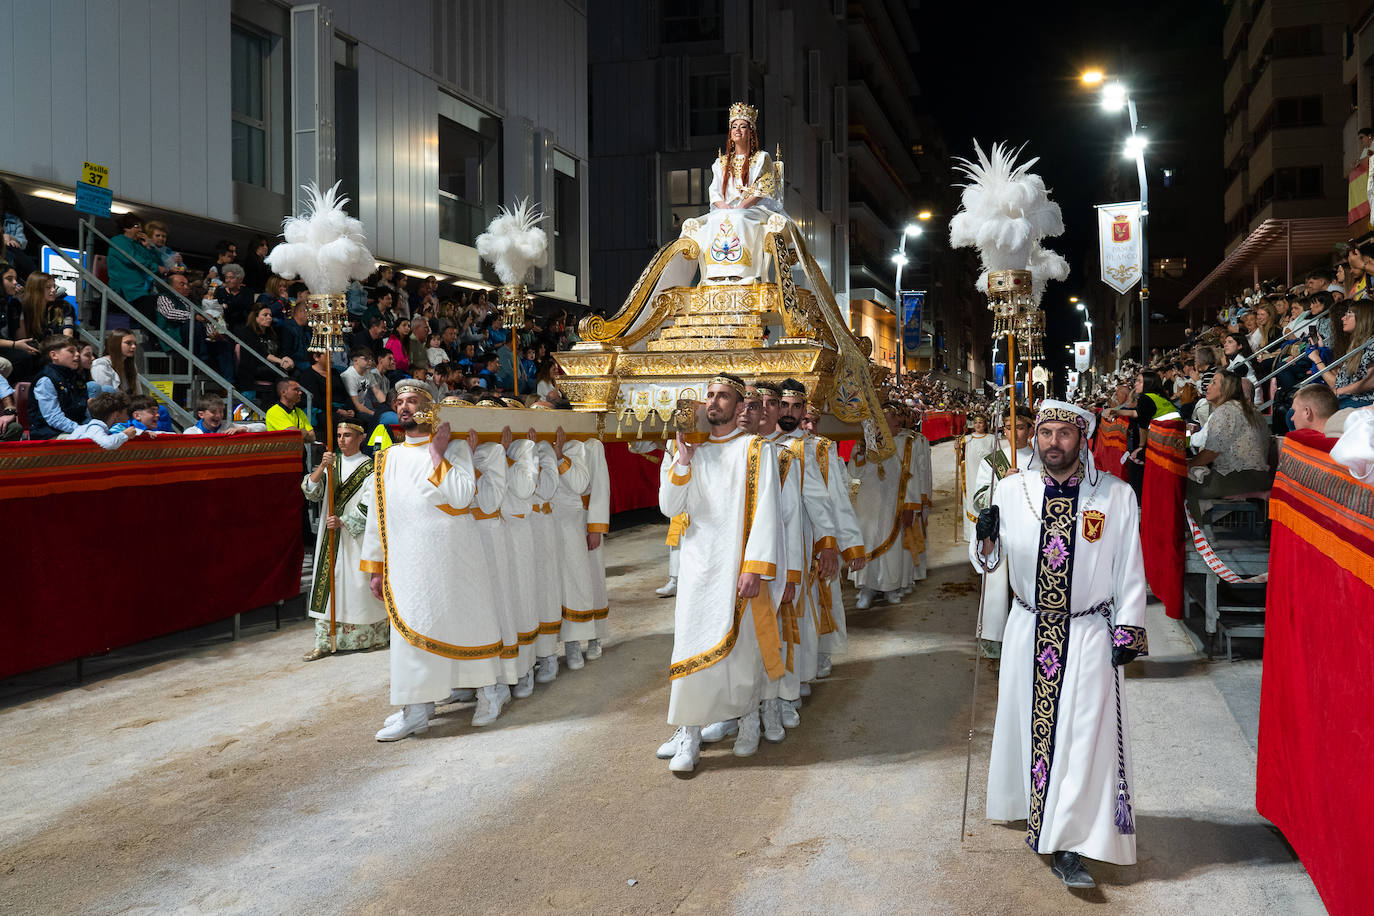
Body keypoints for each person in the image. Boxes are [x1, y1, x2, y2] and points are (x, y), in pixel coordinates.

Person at [973, 400, 1148, 890]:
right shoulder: (1011, 490)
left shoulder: (1113, 495)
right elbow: (990, 566)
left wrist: (1128, 627)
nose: (1052, 441)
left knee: (1081, 737)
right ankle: (1036, 809)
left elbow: (1129, 565)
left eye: (1063, 434)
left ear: (1082, 439)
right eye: (1045, 432)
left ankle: (1068, 841)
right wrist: (985, 539)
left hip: (1089, 633)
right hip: (1028, 630)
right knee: (1030, 730)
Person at [361, 383, 512, 740]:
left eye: (412, 401)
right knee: (409, 632)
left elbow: (462, 497)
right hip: (407, 562)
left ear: (430, 408)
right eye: (399, 402)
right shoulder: (389, 457)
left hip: (454, 557)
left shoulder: (455, 447)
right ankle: (415, 710)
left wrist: (437, 454)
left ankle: (490, 692)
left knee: (468, 622)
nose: (404, 408)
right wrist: (376, 565)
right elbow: (378, 518)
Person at [654, 374, 783, 774]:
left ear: (740, 405)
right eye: (709, 395)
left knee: (740, 650)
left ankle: (746, 721)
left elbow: (767, 511)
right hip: (697, 566)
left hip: (737, 567)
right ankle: (689, 734)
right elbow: (669, 507)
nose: (714, 401)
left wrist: (755, 568)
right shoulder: (690, 449)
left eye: (723, 395)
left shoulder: (755, 450)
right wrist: (684, 461)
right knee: (690, 645)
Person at [302, 422, 388, 661]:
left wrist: (345, 520)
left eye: (347, 435)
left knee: (355, 583)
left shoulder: (371, 467)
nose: (342, 440)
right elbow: (311, 491)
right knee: (330, 583)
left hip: (355, 536)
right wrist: (321, 467)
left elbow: (372, 502)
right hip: (329, 535)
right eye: (339, 435)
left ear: (361, 438)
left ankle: (366, 637)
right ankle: (324, 640)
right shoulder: (332, 464)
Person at [688, 102, 784, 285]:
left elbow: (763, 188)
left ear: (751, 131)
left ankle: (741, 271)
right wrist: (723, 207)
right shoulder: (721, 162)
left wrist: (742, 206)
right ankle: (715, 272)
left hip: (753, 207)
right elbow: (714, 190)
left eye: (743, 126)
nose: (737, 130)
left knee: (739, 218)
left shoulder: (761, 158)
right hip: (727, 209)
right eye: (734, 126)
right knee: (714, 220)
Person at [968, 402, 1034, 659]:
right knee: (1002, 593)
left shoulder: (1043, 458)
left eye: (1019, 427)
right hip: (1005, 535)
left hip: (1033, 537)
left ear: (1030, 429)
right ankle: (1001, 645)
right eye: (1008, 427)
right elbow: (979, 498)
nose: (1013, 433)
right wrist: (1004, 484)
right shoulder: (994, 460)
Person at [850, 401, 923, 608]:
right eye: (893, 423)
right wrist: (863, 452)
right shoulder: (863, 443)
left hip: (892, 505)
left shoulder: (900, 445)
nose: (897, 427)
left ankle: (890, 587)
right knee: (868, 544)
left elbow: (908, 477)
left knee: (891, 546)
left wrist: (910, 505)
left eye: (898, 423)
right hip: (868, 505)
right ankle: (867, 588)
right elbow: (854, 473)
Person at [1186, 369, 1272, 517]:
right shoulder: (1251, 410)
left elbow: (1211, 453)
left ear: (1226, 388)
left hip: (1240, 479)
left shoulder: (1225, 411)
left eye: (1214, 382)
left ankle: (1199, 535)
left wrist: (1186, 465)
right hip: (1260, 477)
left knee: (1180, 484)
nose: (1207, 386)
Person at [1311, 301, 1374, 408]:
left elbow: (1370, 383)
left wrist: (1336, 391)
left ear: (1363, 318)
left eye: (1349, 314)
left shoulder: (1371, 344)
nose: (1343, 318)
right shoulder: (1356, 343)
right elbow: (1341, 380)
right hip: (1349, 396)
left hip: (1362, 399)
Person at [28, 336, 86, 440]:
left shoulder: (75, 377)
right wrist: (81, 430)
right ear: (54, 355)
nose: (77, 354)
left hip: (73, 428)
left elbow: (83, 408)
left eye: (77, 351)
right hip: (48, 434)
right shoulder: (46, 380)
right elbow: (53, 418)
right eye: (71, 351)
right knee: (86, 442)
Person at [106, 214, 162, 315]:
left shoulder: (139, 245)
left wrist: (149, 247)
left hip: (143, 288)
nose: (140, 230)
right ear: (126, 228)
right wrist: (156, 268)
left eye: (141, 227)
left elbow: (156, 262)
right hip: (128, 288)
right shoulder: (119, 241)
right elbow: (133, 260)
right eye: (136, 226)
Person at [959, 410, 997, 542]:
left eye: (980, 423)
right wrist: (958, 448)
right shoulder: (967, 439)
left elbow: (997, 458)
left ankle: (987, 532)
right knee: (970, 500)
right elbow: (960, 458)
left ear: (985, 424)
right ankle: (970, 535)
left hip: (986, 477)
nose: (978, 425)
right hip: (970, 475)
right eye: (975, 423)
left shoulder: (991, 439)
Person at [65, 392, 142, 449]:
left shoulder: (88, 428)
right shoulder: (95, 428)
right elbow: (108, 444)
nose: (128, 415)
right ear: (116, 414)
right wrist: (125, 435)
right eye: (127, 411)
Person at [21, 272, 73, 341]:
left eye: (54, 286)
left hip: (58, 348)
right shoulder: (24, 307)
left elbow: (68, 336)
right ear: (36, 289)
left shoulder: (63, 306)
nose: (54, 290)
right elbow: (22, 341)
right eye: (48, 287)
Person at [264, 378, 315, 443]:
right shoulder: (274, 411)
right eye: (295, 389)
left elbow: (312, 437)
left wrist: (300, 432)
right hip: (282, 452)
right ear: (283, 392)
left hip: (299, 452)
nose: (300, 393)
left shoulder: (299, 411)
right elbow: (292, 433)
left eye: (300, 390)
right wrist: (303, 432)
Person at [183, 395, 259, 435]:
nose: (218, 415)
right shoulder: (190, 433)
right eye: (213, 412)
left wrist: (243, 428)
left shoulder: (228, 427)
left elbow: (262, 427)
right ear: (201, 414)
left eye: (221, 411)